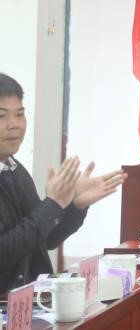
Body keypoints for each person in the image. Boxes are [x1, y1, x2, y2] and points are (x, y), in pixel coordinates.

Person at [0, 73, 127, 292]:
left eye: (19, 114)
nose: (14, 125)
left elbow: (45, 239)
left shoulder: (14, 169)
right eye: (2, 116)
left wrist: (74, 205)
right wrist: (53, 205)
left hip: (26, 299)